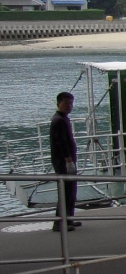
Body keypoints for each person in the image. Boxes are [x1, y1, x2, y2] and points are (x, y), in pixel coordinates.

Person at [50, 91, 81, 232]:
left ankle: (68, 218)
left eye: (71, 103)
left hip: (67, 160)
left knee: (71, 191)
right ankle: (59, 222)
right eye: (66, 103)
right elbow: (61, 142)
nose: (69, 106)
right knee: (65, 192)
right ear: (58, 104)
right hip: (63, 161)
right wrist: (68, 161)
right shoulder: (59, 121)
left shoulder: (63, 119)